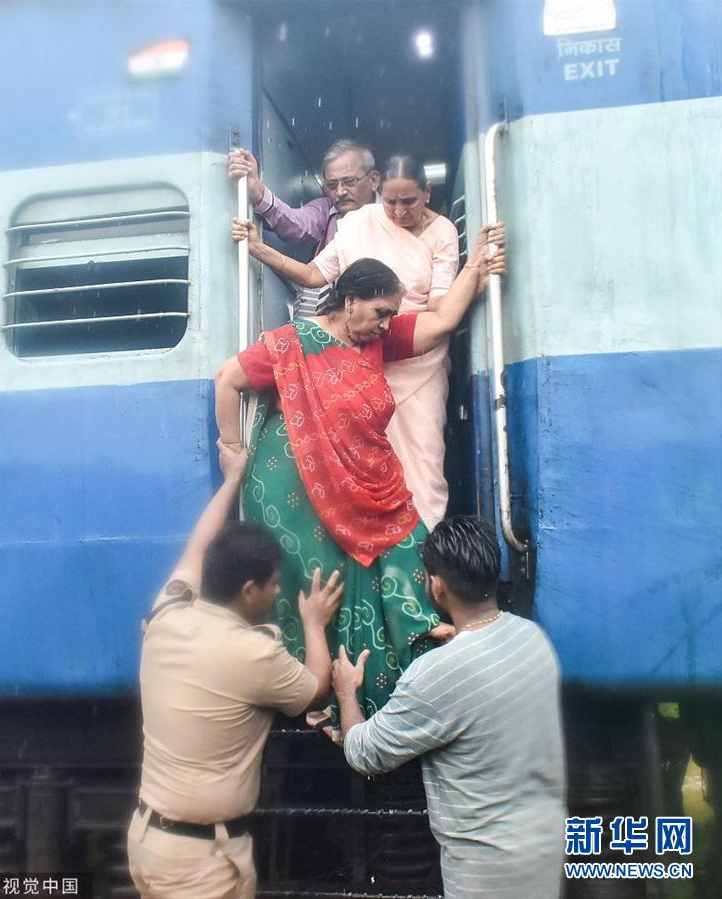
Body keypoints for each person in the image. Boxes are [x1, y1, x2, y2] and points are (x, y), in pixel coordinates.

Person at [215, 228, 505, 726]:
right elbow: (228, 378)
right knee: (320, 584)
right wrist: (232, 451)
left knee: (408, 544)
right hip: (293, 486)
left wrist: (477, 261)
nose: (386, 323)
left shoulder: (376, 339)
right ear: (350, 301)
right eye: (380, 312)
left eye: (392, 314)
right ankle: (321, 695)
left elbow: (441, 322)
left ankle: (408, 653)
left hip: (367, 480)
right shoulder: (291, 344)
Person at [127, 441, 344, 899]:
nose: (279, 589)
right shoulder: (251, 654)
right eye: (273, 584)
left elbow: (197, 547)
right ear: (249, 591)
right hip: (201, 862)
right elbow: (315, 690)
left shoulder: (168, 613)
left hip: (151, 842)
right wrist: (313, 624)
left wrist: (231, 480)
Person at [332, 516, 566, 899]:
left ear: (436, 586)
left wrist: (345, 692)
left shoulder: (435, 675)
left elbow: (363, 753)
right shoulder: (532, 638)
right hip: (543, 851)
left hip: (485, 875)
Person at [231, 155, 459, 530]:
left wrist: (477, 272)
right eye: (390, 202)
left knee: (424, 460)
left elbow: (440, 307)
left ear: (427, 194)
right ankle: (371, 543)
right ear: (379, 192)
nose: (398, 212)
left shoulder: (444, 231)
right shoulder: (358, 224)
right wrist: (258, 248)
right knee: (364, 459)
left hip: (419, 353)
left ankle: (423, 546)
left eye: (409, 202)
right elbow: (313, 274)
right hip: (363, 358)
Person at [228, 139, 381, 317]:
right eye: (332, 185)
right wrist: (257, 192)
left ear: (374, 180)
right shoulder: (325, 209)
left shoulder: (393, 216)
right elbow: (296, 224)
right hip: (326, 324)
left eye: (349, 182)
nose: (340, 192)